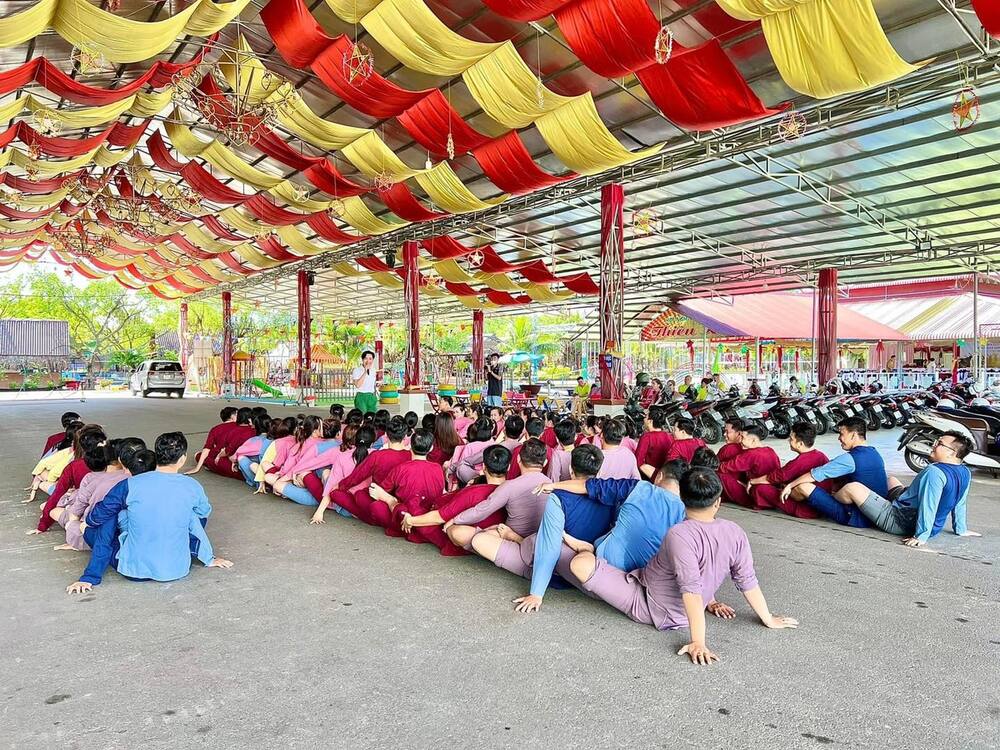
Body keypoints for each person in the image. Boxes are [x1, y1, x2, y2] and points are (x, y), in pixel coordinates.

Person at [566, 468, 798, 665]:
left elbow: (691, 590)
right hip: (677, 606)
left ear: (682, 500)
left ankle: (578, 548)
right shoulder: (734, 531)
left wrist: (698, 642)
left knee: (580, 563)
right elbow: (747, 580)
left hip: (648, 604)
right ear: (718, 502)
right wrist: (767, 618)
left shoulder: (679, 534)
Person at [66, 433, 233, 593]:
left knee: (103, 522)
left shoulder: (130, 484)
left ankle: (91, 575)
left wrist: (88, 524)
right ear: (183, 459)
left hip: (134, 571)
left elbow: (99, 514)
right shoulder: (192, 486)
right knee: (189, 515)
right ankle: (194, 551)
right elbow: (202, 515)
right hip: (177, 569)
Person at [469, 445, 604, 604]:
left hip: (547, 563)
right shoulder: (608, 497)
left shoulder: (559, 497)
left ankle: (525, 555)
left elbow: (548, 544)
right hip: (587, 571)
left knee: (480, 540)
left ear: (570, 470)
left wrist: (536, 594)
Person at [540, 459, 688, 575]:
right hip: (649, 574)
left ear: (659, 476)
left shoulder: (638, 487)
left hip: (608, 564)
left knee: (543, 545)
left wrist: (554, 485)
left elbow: (590, 486)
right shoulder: (687, 512)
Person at [836, 432, 981, 547]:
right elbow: (960, 501)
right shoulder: (965, 471)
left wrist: (921, 536)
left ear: (952, 453)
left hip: (900, 520)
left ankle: (832, 498)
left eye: (940, 444)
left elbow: (928, 505)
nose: (934, 445)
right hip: (914, 511)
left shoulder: (934, 472)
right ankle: (872, 505)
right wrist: (961, 529)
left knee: (852, 488)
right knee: (891, 480)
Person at [401, 445, 512, 555]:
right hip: (493, 538)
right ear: (508, 467)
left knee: (409, 507)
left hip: (460, 537)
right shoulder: (514, 490)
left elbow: (440, 517)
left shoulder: (474, 493)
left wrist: (411, 521)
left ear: (483, 467)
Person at [781, 417, 890, 527]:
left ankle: (785, 496)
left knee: (804, 487)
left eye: (842, 434)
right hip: (876, 513)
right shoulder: (874, 453)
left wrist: (790, 485)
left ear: (853, 435)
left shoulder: (850, 458)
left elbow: (816, 474)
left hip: (856, 516)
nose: (839, 438)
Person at [445, 438, 549, 549]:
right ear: (545, 462)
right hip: (541, 541)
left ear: (518, 459)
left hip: (510, 541)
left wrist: (455, 520)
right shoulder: (551, 484)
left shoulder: (511, 485)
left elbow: (482, 511)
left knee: (456, 532)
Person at [57, 438, 143, 552]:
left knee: (62, 515)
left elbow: (94, 513)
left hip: (105, 532)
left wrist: (77, 530)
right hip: (136, 532)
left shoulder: (98, 480)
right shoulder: (147, 479)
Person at [322, 417, 411, 524]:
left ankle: (370, 518)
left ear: (386, 435)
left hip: (379, 500)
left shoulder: (377, 455)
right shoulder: (410, 456)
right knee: (361, 495)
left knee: (353, 495)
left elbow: (357, 476)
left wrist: (339, 485)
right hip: (401, 503)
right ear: (405, 436)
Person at [365, 429, 446, 535]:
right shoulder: (438, 468)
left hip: (402, 515)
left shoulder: (401, 468)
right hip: (427, 519)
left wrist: (389, 498)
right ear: (431, 448)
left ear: (410, 445)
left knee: (375, 505)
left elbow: (382, 490)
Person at [749, 422, 826, 518]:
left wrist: (752, 481)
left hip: (805, 509)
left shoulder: (799, 462)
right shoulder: (821, 456)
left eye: (791, 439)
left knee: (760, 488)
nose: (788, 441)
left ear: (800, 443)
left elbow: (775, 477)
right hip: (822, 506)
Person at [718, 424, 780, 508]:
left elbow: (726, 467)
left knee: (720, 475)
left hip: (755, 496)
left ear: (753, 440)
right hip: (771, 491)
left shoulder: (752, 454)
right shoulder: (770, 450)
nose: (740, 440)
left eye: (743, 437)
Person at [187, 407, 238, 475]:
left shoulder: (215, 429)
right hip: (237, 459)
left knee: (198, 455)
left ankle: (211, 466)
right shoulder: (242, 427)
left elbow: (207, 448)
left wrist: (197, 468)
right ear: (232, 416)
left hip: (221, 460)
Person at [636, 406, 673, 480]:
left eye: (646, 417)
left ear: (650, 421)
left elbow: (638, 460)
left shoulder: (647, 437)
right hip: (666, 475)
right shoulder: (668, 436)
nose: (644, 419)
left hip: (650, 476)